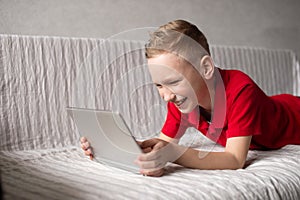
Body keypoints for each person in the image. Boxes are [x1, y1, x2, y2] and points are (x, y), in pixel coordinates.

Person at [81, 19, 300, 177]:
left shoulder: (241, 89)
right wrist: (124, 150)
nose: (166, 95)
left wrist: (174, 153)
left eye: (174, 82)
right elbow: (165, 145)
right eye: (158, 84)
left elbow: (235, 160)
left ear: (205, 68)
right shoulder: (182, 100)